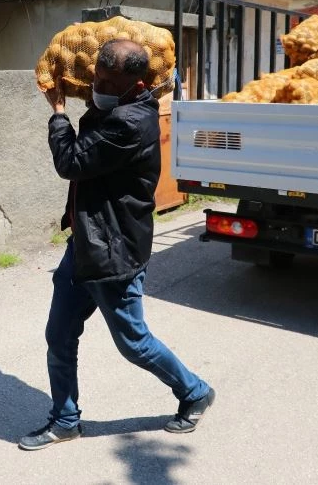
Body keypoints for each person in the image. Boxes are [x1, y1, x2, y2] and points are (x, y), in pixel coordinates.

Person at [18, 39, 214, 451]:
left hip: (113, 252)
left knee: (134, 343)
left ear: (137, 85)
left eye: (108, 82)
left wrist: (57, 114)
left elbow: (70, 162)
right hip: (86, 244)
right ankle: (65, 418)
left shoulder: (129, 123)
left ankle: (194, 391)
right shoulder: (112, 111)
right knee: (59, 334)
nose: (97, 87)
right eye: (96, 79)